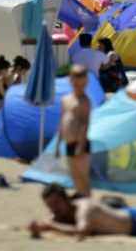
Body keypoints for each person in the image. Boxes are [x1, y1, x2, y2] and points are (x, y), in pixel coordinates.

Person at [55, 65, 92, 197]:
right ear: (71, 81)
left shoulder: (84, 101)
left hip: (80, 144)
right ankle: (81, 203)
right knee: (75, 178)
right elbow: (62, 123)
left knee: (83, 178)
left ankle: (87, 204)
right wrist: (57, 146)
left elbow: (84, 124)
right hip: (69, 143)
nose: (79, 88)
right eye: (76, 85)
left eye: (82, 85)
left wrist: (80, 147)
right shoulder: (65, 99)